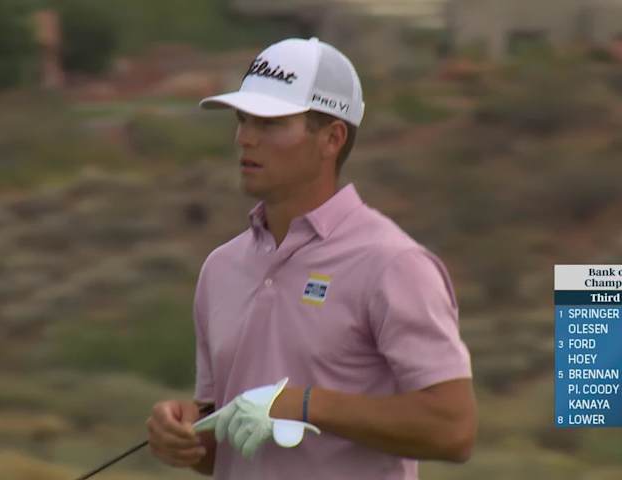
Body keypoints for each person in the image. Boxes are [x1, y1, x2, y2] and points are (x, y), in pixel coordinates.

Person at [146, 37, 476, 479]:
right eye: (243, 119)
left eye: (270, 123)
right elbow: (225, 446)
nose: (245, 137)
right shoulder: (220, 269)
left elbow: (453, 430)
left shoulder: (392, 263)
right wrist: (185, 434)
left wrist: (306, 405)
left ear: (332, 138)